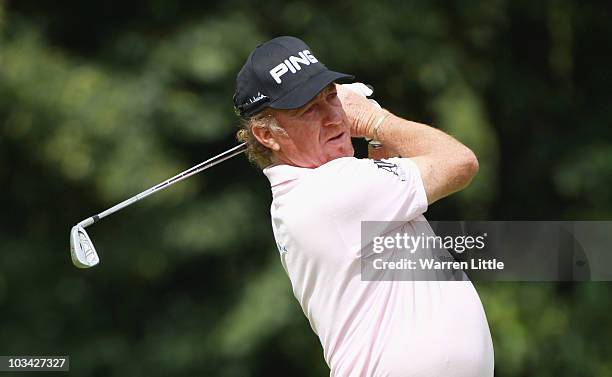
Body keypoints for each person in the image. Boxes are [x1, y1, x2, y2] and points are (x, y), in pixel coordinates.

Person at [233, 36, 494, 377]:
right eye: (309, 110)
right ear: (267, 135)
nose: (333, 118)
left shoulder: (318, 194)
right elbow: (459, 162)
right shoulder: (329, 190)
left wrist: (373, 138)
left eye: (332, 99)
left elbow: (389, 196)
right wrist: (374, 119)